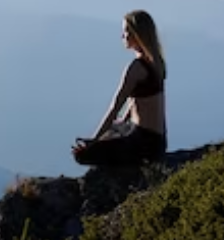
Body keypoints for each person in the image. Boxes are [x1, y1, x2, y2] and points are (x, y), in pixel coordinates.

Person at [72, 9, 168, 167]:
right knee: (114, 129)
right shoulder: (157, 63)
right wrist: (121, 124)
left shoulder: (136, 68)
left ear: (136, 34)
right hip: (158, 142)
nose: (122, 36)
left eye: (125, 32)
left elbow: (115, 106)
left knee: (83, 155)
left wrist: (94, 140)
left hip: (142, 143)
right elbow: (139, 101)